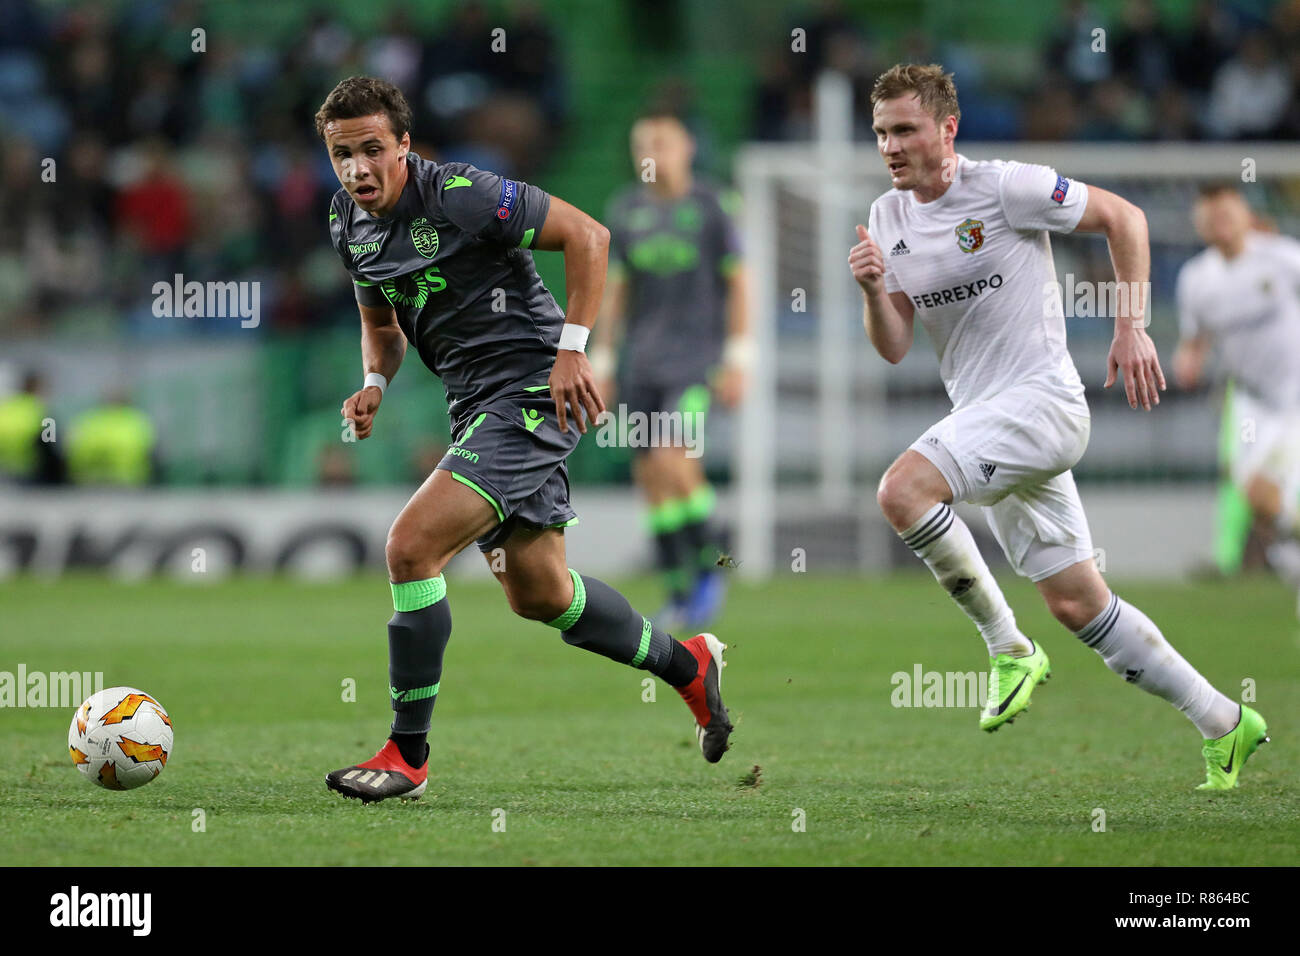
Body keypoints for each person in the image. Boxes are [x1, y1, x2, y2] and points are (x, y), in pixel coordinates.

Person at [848, 63, 1267, 790]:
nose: (891, 145)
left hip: (1042, 404)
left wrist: (1130, 327)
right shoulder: (888, 218)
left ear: (947, 128)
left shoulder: (1007, 186)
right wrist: (873, 291)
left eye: (906, 129)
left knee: (901, 491)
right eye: (882, 131)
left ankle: (1006, 647)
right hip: (988, 422)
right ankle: (1225, 722)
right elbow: (892, 346)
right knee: (1077, 602)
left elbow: (1124, 218)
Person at [316, 77, 732, 803]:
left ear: (405, 146)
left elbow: (588, 236)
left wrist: (574, 348)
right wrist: (374, 385)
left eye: (372, 150)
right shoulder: (347, 223)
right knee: (542, 595)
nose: (357, 169)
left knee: (411, 546)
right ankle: (689, 666)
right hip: (473, 405)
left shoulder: (461, 194)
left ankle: (406, 754)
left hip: (534, 390)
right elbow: (381, 330)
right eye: (342, 154)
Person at [593, 111, 751, 630]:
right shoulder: (626, 209)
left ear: (686, 148)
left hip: (696, 359)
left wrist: (738, 357)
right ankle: (679, 587)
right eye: (643, 144)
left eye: (662, 142)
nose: (652, 153)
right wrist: (604, 359)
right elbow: (616, 294)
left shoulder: (713, 206)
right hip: (643, 360)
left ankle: (716, 563)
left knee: (670, 456)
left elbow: (740, 285)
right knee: (651, 478)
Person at [1172, 183, 1300, 612]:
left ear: (1245, 214)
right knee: (1258, 503)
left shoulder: (1281, 258)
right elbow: (1196, 339)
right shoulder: (1196, 279)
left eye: (1227, 214)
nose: (1219, 224)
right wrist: (1187, 360)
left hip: (1294, 398)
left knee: (1266, 494)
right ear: (1200, 223)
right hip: (1249, 401)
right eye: (1210, 217)